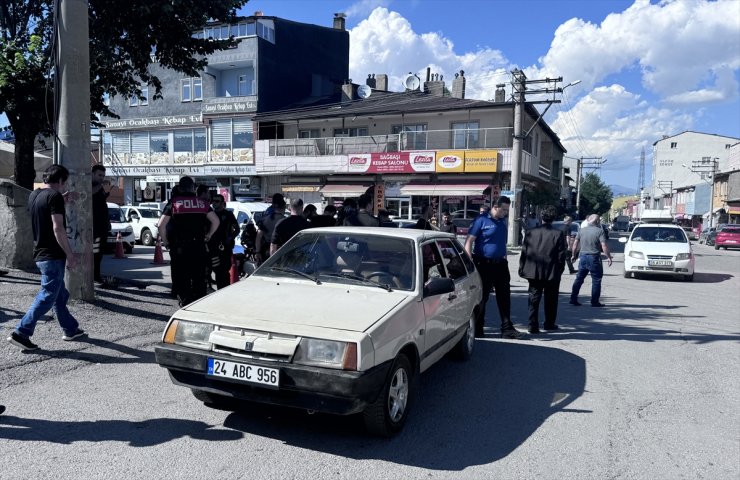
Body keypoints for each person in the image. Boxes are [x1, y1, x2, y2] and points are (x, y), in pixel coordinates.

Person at [8, 165, 86, 351]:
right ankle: (21, 332)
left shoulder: (35, 195)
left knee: (60, 295)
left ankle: (70, 329)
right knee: (48, 295)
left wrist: (62, 200)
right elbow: (57, 228)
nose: (64, 185)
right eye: (64, 182)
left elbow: (44, 211)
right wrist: (70, 255)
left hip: (40, 252)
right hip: (52, 254)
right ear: (60, 181)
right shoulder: (55, 196)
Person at [464, 196, 524, 339]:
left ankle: (507, 328)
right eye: (503, 209)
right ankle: (478, 328)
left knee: (504, 297)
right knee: (482, 298)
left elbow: (500, 243)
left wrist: (505, 258)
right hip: (483, 264)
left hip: (501, 265)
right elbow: (469, 241)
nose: (505, 212)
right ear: (495, 207)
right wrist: (469, 262)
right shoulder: (481, 220)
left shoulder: (501, 221)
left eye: (507, 210)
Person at [159, 176, 219, 306]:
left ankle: (185, 303)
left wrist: (166, 242)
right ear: (193, 188)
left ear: (180, 188)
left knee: (182, 277)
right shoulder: (203, 203)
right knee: (199, 277)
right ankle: (199, 304)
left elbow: (161, 225)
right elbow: (216, 221)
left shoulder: (174, 203)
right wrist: (208, 235)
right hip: (198, 246)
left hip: (180, 247)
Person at [518, 205, 567, 333]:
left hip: (533, 271)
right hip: (551, 272)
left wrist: (522, 267)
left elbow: (524, 252)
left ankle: (532, 325)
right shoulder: (558, 233)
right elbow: (561, 256)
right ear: (553, 218)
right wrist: (560, 270)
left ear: (541, 217)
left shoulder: (530, 232)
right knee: (551, 299)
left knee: (533, 299)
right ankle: (549, 323)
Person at [570, 214, 613, 307]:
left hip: (583, 257)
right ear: (597, 222)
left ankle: (573, 299)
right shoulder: (599, 231)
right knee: (596, 280)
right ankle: (594, 301)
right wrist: (608, 257)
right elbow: (604, 246)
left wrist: (573, 255)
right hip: (594, 258)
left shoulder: (581, 230)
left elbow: (575, 244)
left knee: (579, 279)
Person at [209, 194, 239, 289]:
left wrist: (230, 237)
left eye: (217, 201)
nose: (214, 203)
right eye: (213, 201)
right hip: (213, 246)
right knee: (215, 268)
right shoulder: (210, 214)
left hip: (225, 246)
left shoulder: (228, 215)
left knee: (225, 270)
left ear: (222, 203)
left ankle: (224, 289)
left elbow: (236, 229)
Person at [91, 164, 111, 284]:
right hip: (93, 226)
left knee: (99, 253)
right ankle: (94, 277)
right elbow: (89, 194)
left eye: (103, 176)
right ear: (92, 174)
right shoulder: (89, 185)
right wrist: (100, 186)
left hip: (102, 225)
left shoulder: (100, 188)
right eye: (99, 175)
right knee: (95, 252)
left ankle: (96, 276)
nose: (101, 178)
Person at [255, 193, 286, 263]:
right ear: (284, 206)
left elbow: (258, 236)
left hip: (266, 252)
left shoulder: (264, 218)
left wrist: (257, 252)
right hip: (281, 253)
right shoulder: (286, 221)